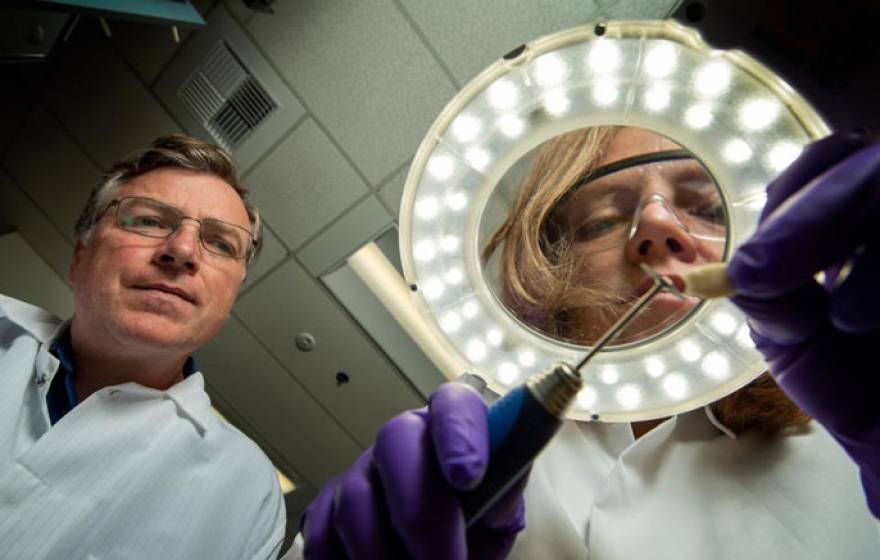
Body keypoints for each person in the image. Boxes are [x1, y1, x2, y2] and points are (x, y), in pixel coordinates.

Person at [299, 129, 880, 559]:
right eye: (602, 220)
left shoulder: (848, 427)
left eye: (704, 207)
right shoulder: (477, 438)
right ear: (549, 264)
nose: (660, 226)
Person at [0, 134, 287, 559]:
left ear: (228, 301)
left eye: (222, 244)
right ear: (80, 258)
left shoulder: (250, 495)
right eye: (150, 221)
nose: (183, 250)